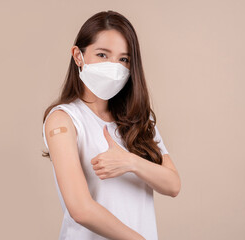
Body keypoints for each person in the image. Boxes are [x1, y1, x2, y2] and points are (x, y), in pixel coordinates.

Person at [42, 10, 181, 240]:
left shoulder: (138, 120)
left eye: (123, 59)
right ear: (78, 56)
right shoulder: (64, 119)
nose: (114, 66)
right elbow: (80, 209)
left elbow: (173, 184)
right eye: (102, 55)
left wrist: (130, 162)